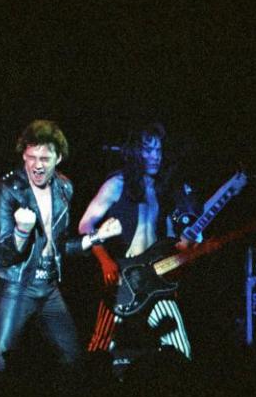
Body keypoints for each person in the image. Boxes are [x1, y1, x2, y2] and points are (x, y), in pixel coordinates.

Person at [0, 120, 120, 387]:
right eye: (31, 157)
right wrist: (22, 233)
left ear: (58, 158)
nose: (37, 165)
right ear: (23, 155)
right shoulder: (9, 190)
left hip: (48, 287)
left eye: (45, 158)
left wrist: (97, 237)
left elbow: (59, 247)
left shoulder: (64, 188)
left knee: (73, 358)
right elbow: (1, 256)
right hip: (18, 285)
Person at [79, 123, 193, 376]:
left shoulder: (162, 189)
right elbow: (85, 224)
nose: (155, 156)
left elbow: (167, 237)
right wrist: (105, 261)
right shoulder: (117, 183)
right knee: (100, 349)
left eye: (159, 150)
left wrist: (184, 247)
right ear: (134, 152)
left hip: (156, 279)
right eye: (148, 150)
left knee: (180, 349)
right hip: (122, 279)